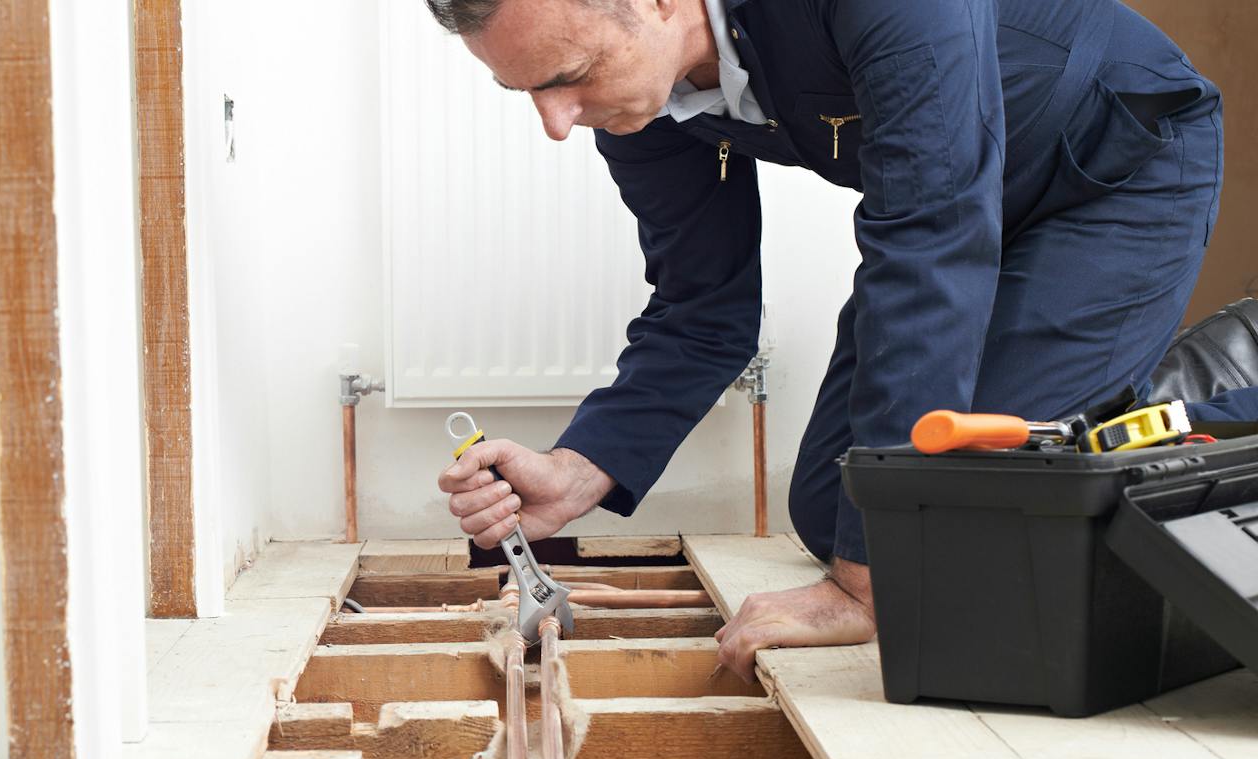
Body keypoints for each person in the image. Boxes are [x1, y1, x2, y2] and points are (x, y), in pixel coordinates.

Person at [427, 0, 1227, 678]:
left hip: (1110, 172)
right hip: (966, 202)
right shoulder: (644, 95)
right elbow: (703, 308)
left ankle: (1215, 415)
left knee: (949, 543)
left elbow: (930, 240)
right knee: (832, 507)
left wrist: (866, 586)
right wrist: (578, 471)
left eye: (566, 79)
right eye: (525, 92)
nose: (557, 123)